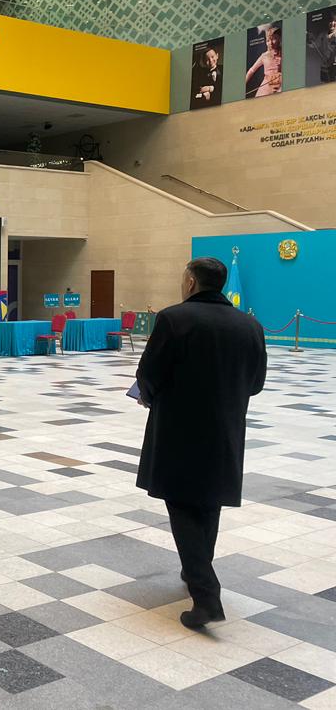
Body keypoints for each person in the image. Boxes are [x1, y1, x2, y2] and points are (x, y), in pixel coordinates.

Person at [134, 257, 267, 630]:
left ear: (191, 282)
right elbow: (256, 383)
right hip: (226, 428)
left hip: (179, 428)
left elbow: (149, 373)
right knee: (209, 500)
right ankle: (196, 567)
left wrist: (147, 394)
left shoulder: (174, 319)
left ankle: (206, 595)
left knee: (181, 503)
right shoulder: (250, 325)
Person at [245, 24, 282, 97]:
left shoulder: (284, 53)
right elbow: (251, 70)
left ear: (279, 39)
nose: (270, 43)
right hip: (267, 85)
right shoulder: (264, 56)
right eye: (268, 40)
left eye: (273, 39)